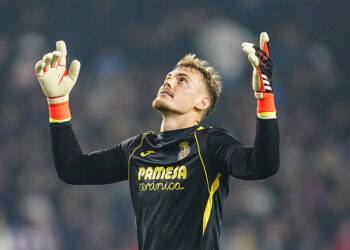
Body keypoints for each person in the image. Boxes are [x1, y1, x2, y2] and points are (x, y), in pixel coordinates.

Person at [35, 32, 279, 250]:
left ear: (202, 102)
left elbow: (261, 165)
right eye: (168, 76)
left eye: (182, 80)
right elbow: (73, 170)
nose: (169, 81)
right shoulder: (137, 148)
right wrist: (58, 103)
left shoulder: (210, 143)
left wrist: (264, 95)